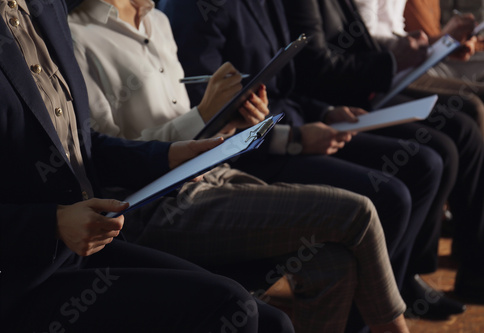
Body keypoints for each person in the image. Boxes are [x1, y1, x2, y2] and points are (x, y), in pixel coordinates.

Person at [66, 0, 413, 332]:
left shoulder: (158, 20)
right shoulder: (76, 34)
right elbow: (106, 157)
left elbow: (189, 125)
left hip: (212, 174)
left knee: (333, 264)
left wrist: (232, 118)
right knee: (359, 211)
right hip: (155, 206)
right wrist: (206, 113)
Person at [0, 0, 299, 332]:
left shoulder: (46, 8)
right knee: (230, 306)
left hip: (82, 251)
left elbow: (79, 145)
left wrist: (167, 157)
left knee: (274, 323)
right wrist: (53, 224)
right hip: (9, 282)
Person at [279, 0, 484, 312]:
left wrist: (430, 46)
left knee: (460, 126)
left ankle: (461, 263)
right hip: (338, 100)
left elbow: (365, 40)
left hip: (368, 83)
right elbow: (317, 68)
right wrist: (420, 48)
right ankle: (397, 283)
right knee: (435, 153)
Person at [355, 0, 484, 134]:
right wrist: (432, 42)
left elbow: (396, 29)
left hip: (409, 65)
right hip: (384, 72)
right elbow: (365, 42)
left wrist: (441, 42)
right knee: (472, 108)